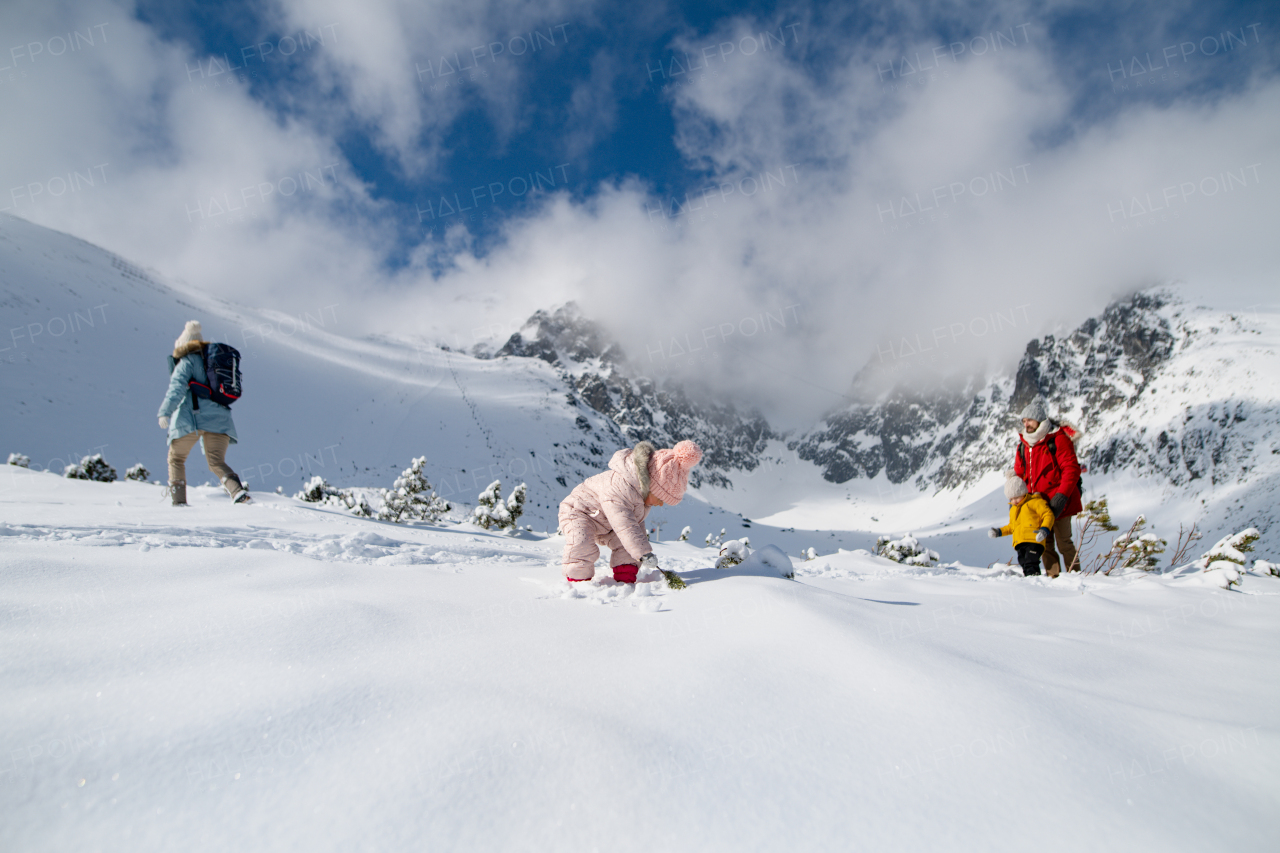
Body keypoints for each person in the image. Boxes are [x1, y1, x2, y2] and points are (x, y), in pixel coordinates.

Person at [558, 439, 702, 583]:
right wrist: (643, 553)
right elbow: (624, 525)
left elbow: (634, 528)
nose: (660, 504)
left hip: (607, 524)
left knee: (627, 545)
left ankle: (625, 574)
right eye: (660, 498)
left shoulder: (641, 498)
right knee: (581, 543)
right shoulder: (620, 487)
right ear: (651, 487)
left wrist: (640, 552)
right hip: (579, 512)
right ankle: (578, 580)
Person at [157, 320, 248, 506]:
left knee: (176, 458)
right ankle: (238, 493)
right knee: (216, 462)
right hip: (222, 421)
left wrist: (165, 412)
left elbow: (176, 389)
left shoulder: (187, 361)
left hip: (194, 420)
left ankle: (179, 503)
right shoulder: (213, 362)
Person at [1012, 396, 1082, 573]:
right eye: (1024, 421)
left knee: (1064, 543)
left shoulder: (1058, 440)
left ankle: (1076, 576)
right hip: (1036, 505)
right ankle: (1054, 579)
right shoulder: (1023, 445)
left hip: (1060, 502)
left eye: (1029, 420)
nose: (1026, 424)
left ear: (1039, 420)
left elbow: (1071, 470)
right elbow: (1020, 474)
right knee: (1044, 545)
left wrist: (1061, 498)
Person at [989, 475, 1057, 577]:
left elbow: (1048, 514)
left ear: (1023, 493)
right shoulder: (1013, 509)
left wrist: (1044, 529)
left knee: (1031, 562)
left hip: (1034, 540)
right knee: (1024, 563)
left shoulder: (1035, 502)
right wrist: (998, 532)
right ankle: (1029, 581)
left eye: (1017, 497)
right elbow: (1012, 526)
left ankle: (1034, 581)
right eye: (1011, 499)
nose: (1014, 501)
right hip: (1020, 542)